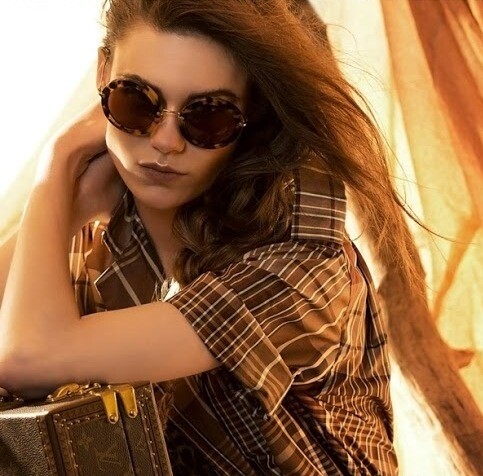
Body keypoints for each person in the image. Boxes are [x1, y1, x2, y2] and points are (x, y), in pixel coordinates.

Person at [0, 0, 422, 473]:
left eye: (208, 117)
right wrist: (69, 210)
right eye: (136, 102)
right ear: (103, 73)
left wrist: (57, 163)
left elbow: (27, 359)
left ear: (250, 114)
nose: (165, 141)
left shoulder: (300, 260)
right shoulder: (107, 220)